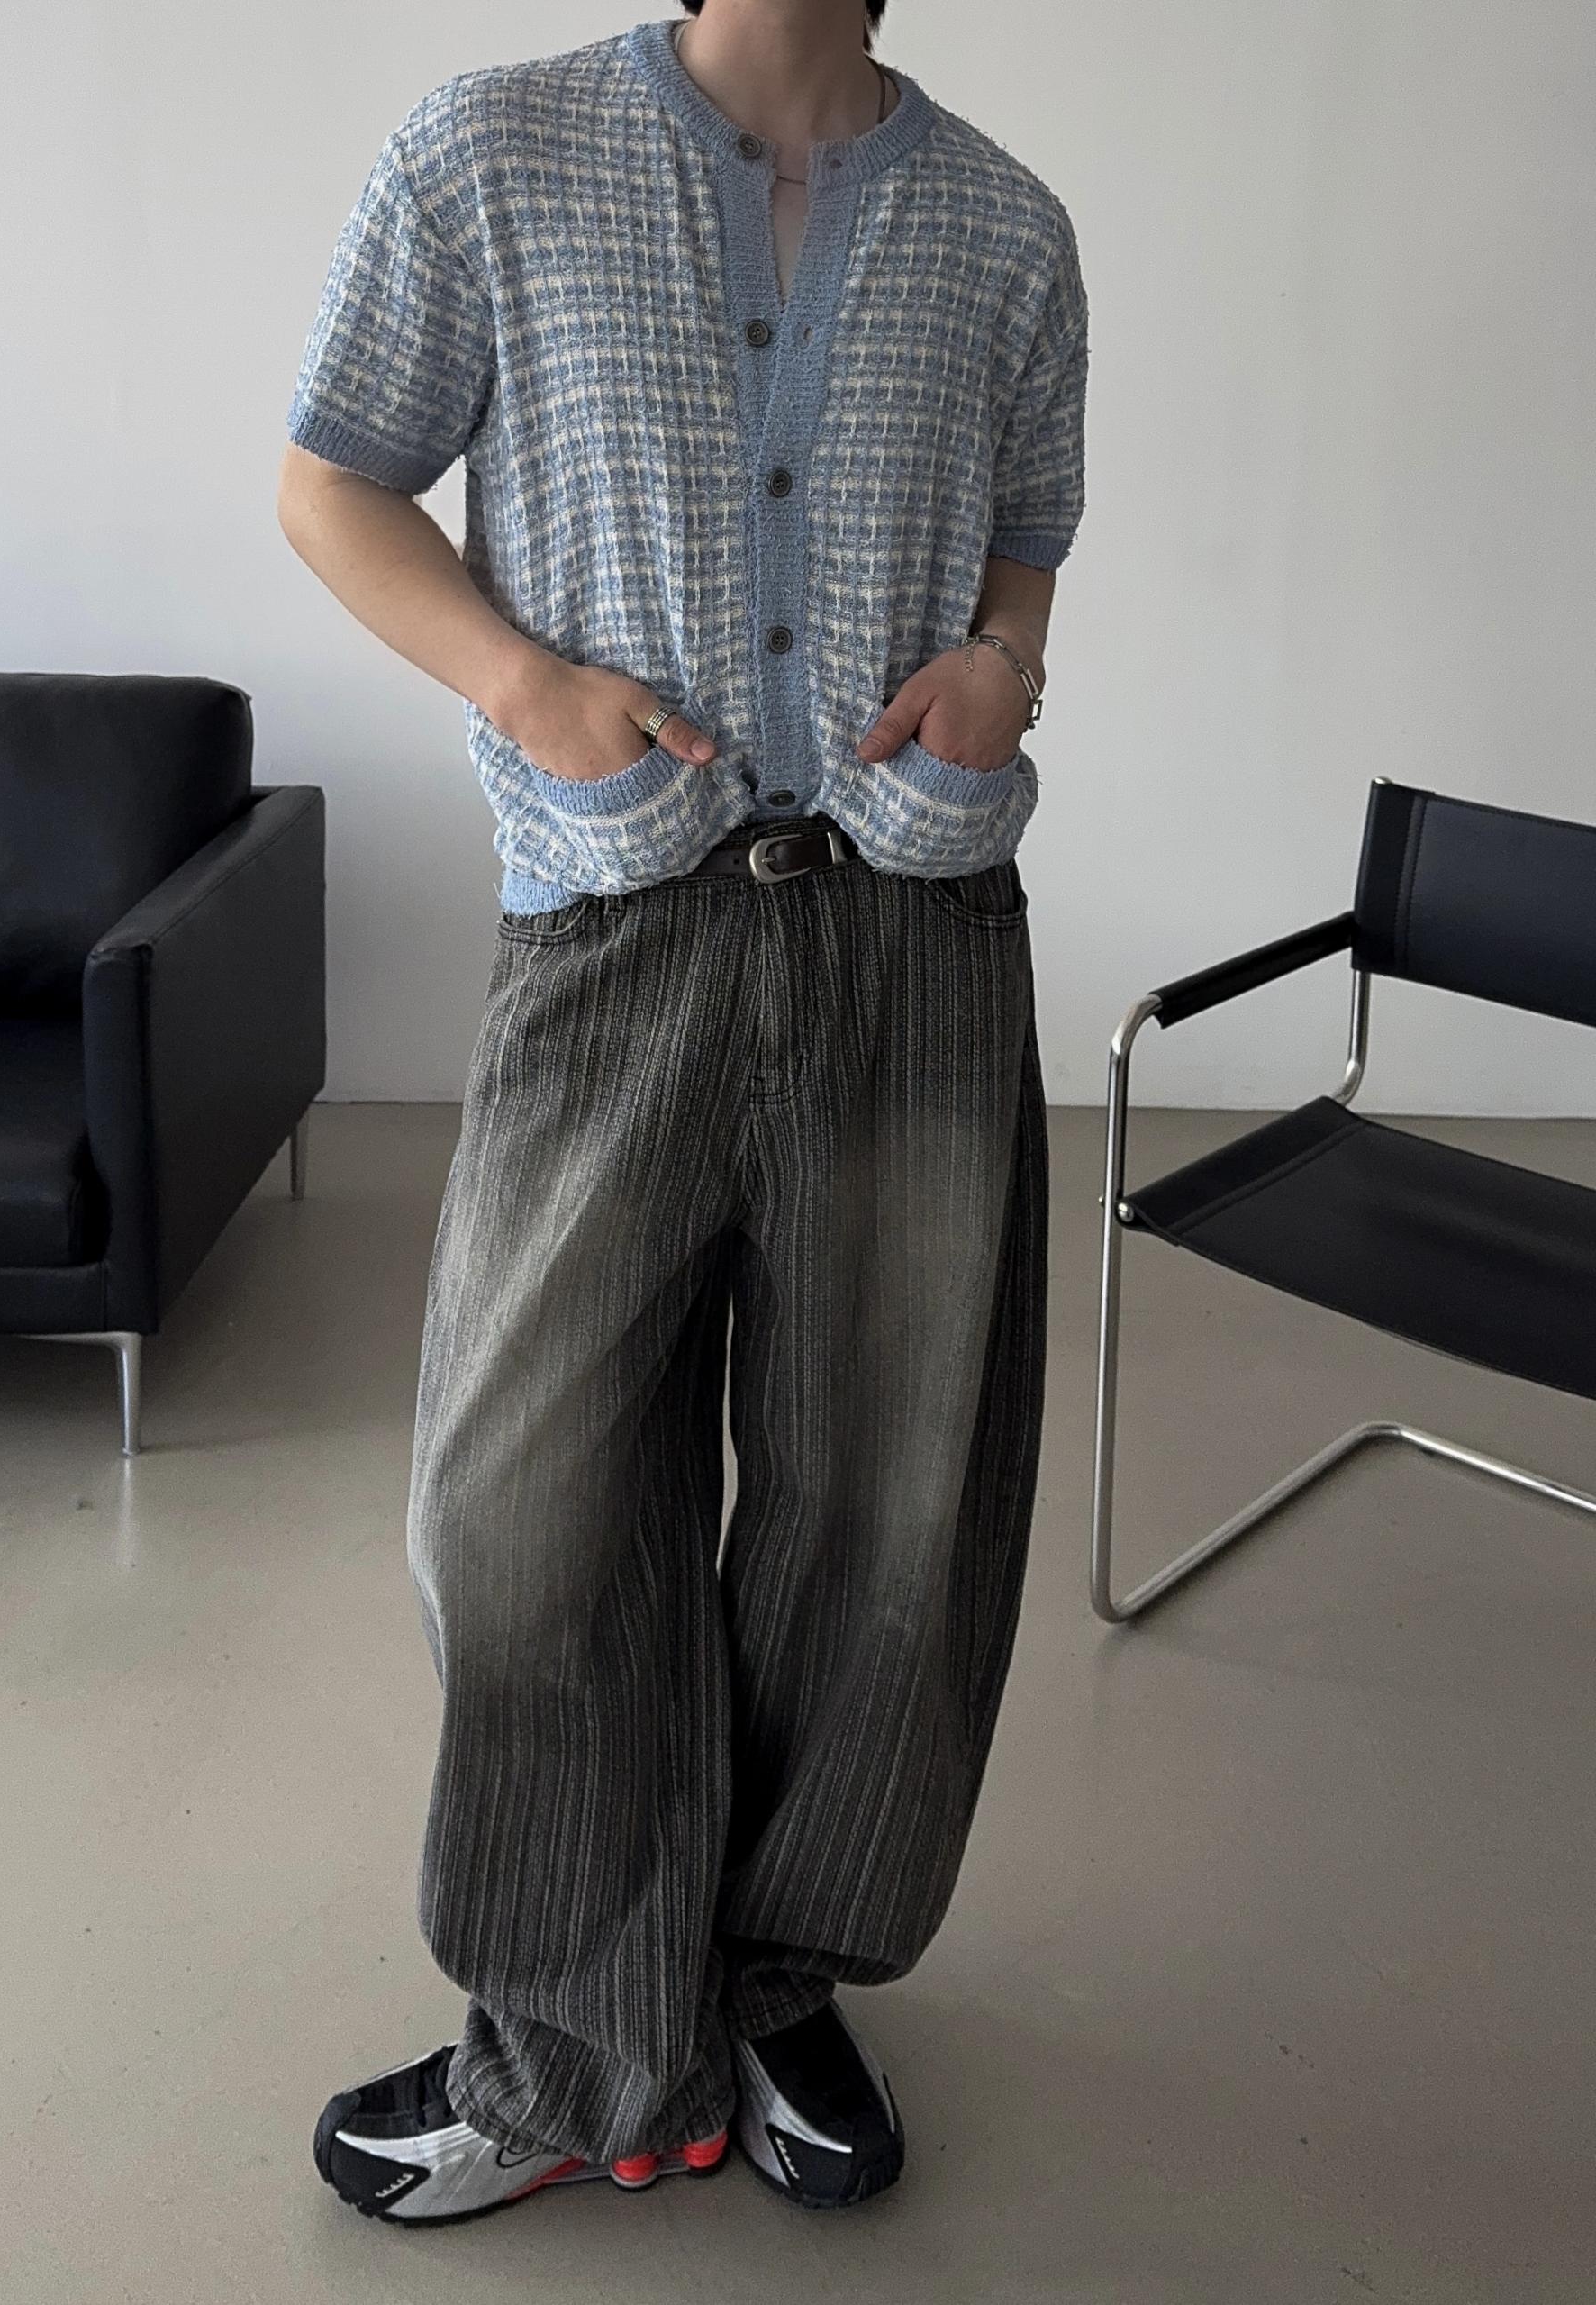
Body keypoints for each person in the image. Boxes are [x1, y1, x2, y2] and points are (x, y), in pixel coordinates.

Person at [277, 0, 1088, 2226]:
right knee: (518, 1514)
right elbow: (332, 478)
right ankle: (573, 2031)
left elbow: (1028, 535)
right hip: (616, 927)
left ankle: (774, 1979)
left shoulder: (1008, 223)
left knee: (886, 1517)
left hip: (914, 936)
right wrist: (525, 685)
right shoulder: (491, 151)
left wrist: (1005, 664)